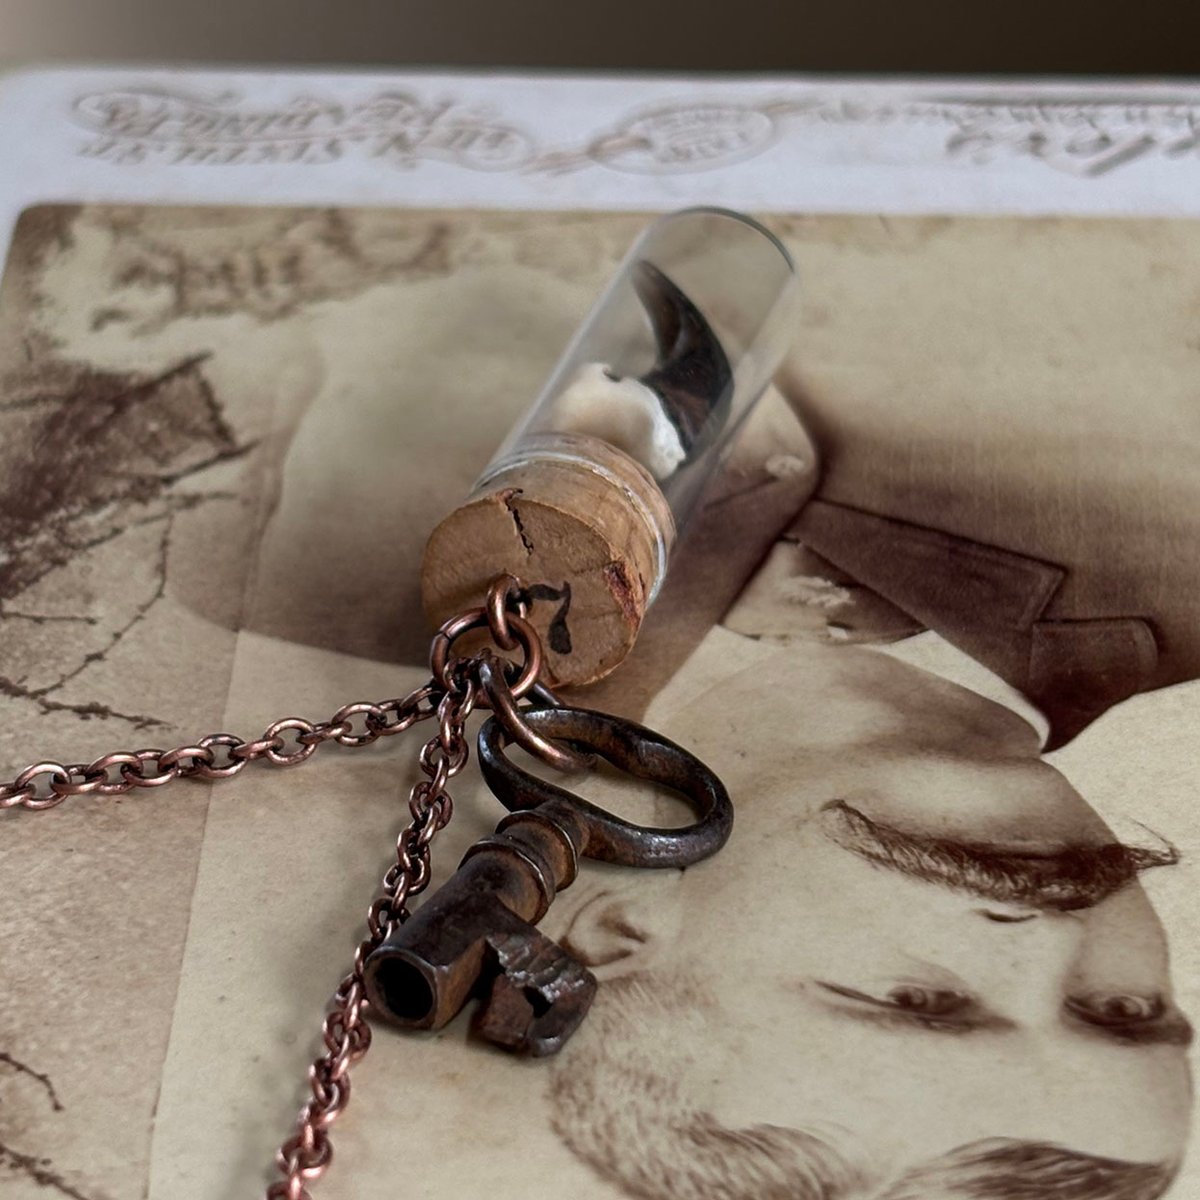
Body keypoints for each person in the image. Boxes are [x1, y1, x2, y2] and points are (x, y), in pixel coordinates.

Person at [537, 630, 1190, 1200]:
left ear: (622, 932)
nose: (1053, 937)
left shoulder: (500, 654)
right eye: (1121, 1011)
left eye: (917, 1000)